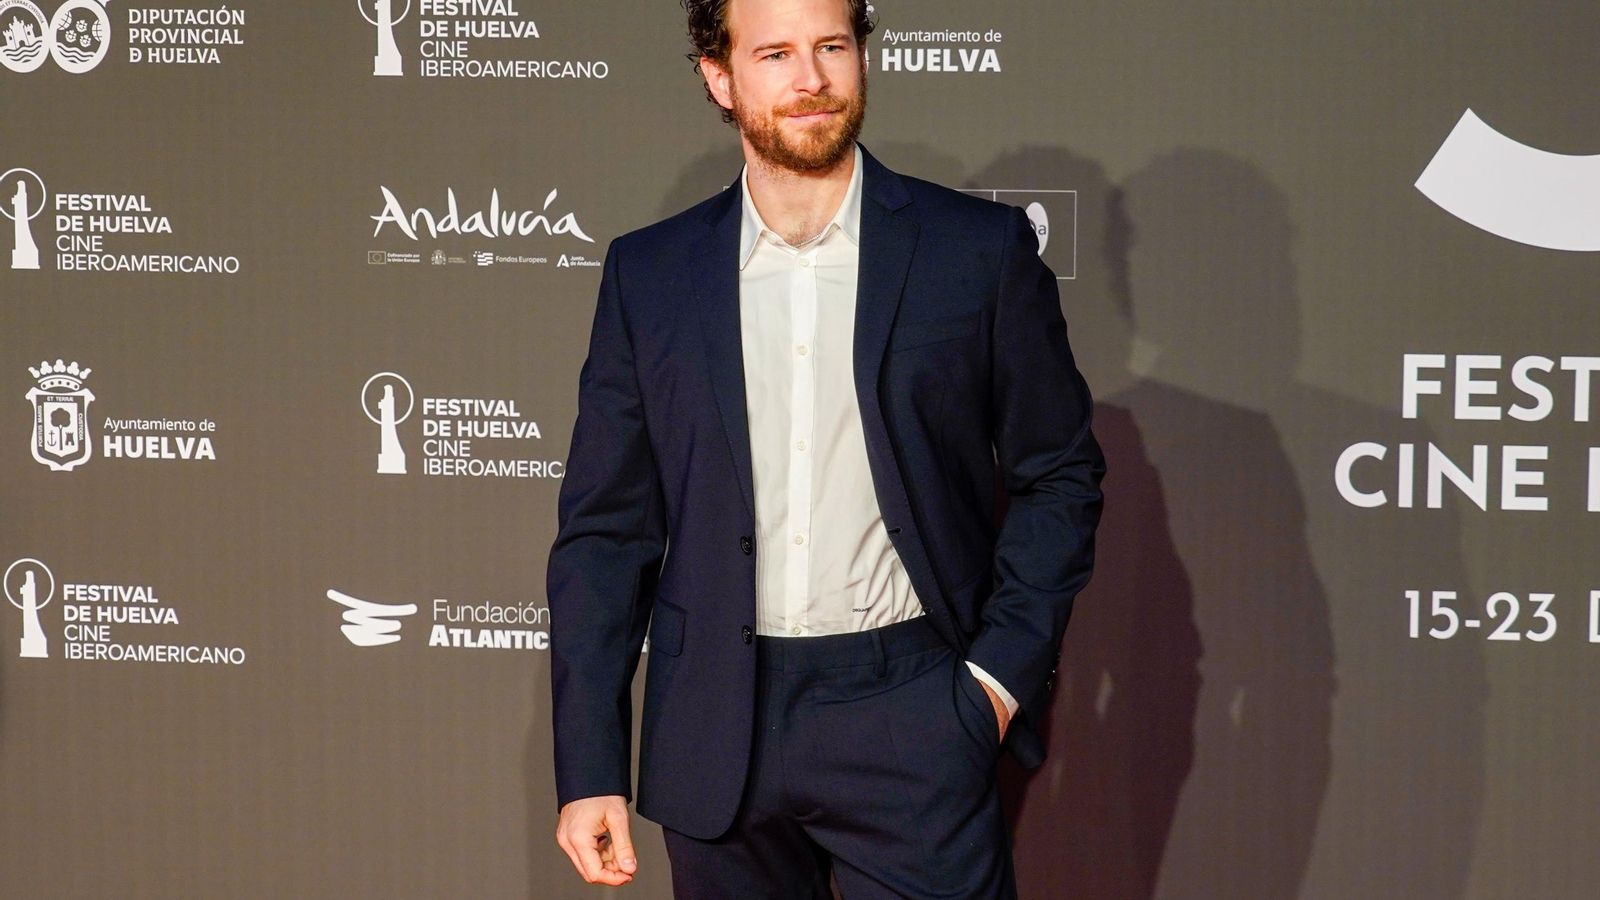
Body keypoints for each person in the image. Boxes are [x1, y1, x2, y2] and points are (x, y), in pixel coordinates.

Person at [547, 0, 1104, 895]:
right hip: (716, 722)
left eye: (831, 47)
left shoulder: (975, 252)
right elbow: (605, 534)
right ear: (719, 76)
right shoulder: (649, 276)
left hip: (912, 708)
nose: (810, 79)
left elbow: (1060, 477)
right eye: (774, 53)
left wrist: (992, 686)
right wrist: (590, 767)